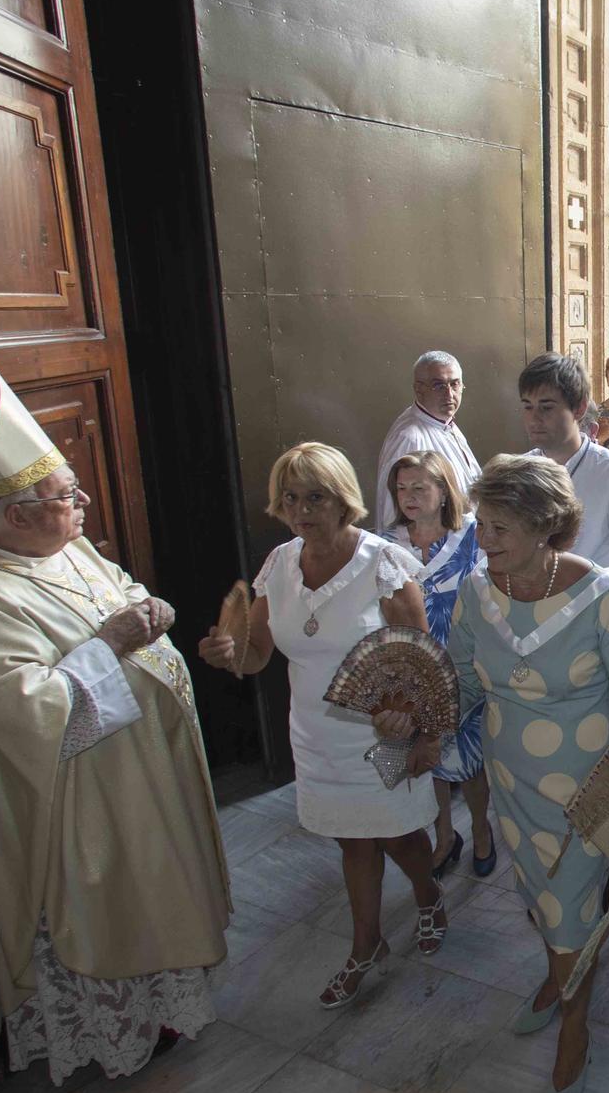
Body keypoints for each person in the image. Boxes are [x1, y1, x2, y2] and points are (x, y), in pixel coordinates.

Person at [0, 374, 230, 1083]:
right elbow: (26, 712)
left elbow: (121, 591)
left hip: (141, 782)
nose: (82, 504)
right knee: (112, 911)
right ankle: (118, 1029)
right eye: (65, 496)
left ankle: (168, 1006)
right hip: (79, 805)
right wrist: (113, 641)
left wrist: (149, 610)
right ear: (14, 516)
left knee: (157, 889)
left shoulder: (63, 544)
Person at [438, 455, 609, 1093]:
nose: (486, 541)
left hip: (588, 794)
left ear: (544, 526)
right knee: (539, 898)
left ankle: (575, 1026)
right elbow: (462, 680)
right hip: (512, 783)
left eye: (500, 527)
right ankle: (560, 974)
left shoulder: (600, 596)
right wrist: (420, 715)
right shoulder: (480, 594)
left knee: (569, 910)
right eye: (482, 526)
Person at [200, 444, 446, 1007]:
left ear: (343, 501)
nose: (300, 510)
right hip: (313, 733)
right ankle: (367, 943)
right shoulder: (279, 564)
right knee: (351, 840)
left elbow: (422, 657)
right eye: (290, 498)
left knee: (397, 834)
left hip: (381, 730)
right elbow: (259, 654)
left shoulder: (382, 563)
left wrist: (422, 731)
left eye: (315, 497)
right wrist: (230, 653)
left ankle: (429, 897)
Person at [380, 450, 493, 878]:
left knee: (468, 760)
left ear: (443, 491)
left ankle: (481, 830)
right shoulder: (387, 544)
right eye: (401, 488)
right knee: (431, 761)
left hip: (466, 663)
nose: (408, 497)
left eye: (419, 488)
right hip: (416, 668)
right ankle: (445, 835)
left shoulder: (471, 535)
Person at [521, 353, 609, 614]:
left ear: (579, 408)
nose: (534, 418)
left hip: (593, 620)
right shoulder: (519, 473)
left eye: (546, 407)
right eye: (527, 406)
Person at [374, 351, 481, 531]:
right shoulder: (409, 438)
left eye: (455, 384)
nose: (449, 394)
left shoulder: (445, 423)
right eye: (439, 385)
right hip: (430, 554)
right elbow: (394, 515)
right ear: (419, 389)